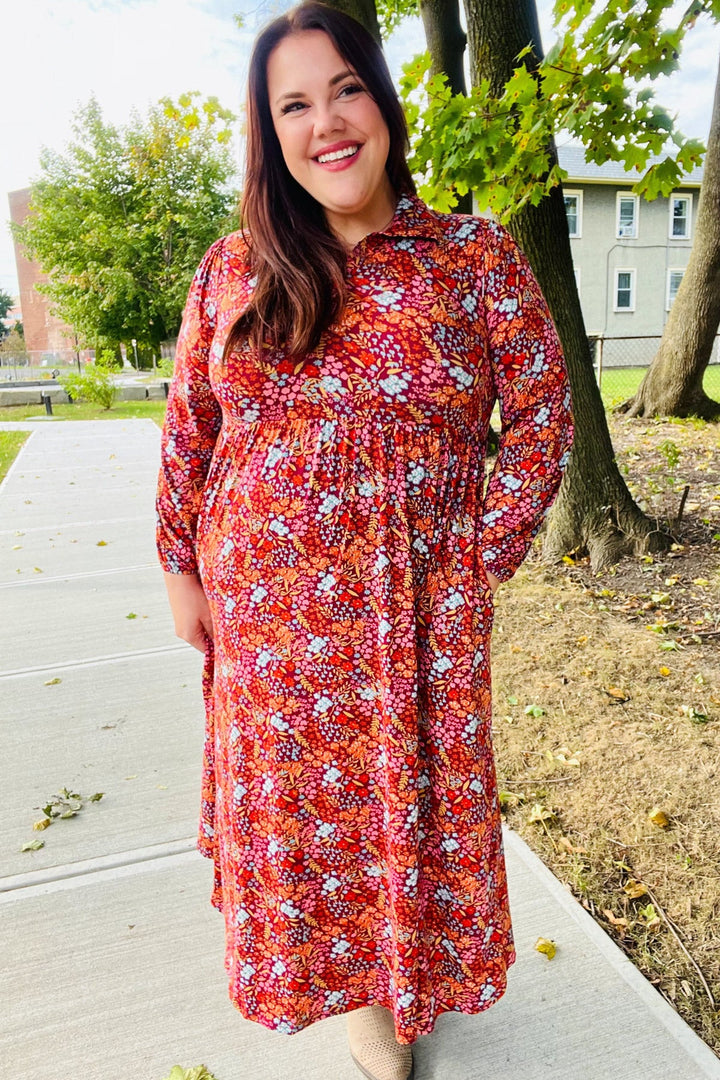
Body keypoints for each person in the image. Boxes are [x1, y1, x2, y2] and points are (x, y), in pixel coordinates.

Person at [156, 3, 574, 1078]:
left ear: (382, 102)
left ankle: (403, 981)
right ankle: (360, 1008)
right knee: (308, 825)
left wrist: (475, 559)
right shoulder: (234, 269)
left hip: (411, 621)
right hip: (272, 624)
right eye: (294, 103)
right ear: (270, 131)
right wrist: (177, 565)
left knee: (408, 812)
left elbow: (541, 414)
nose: (327, 122)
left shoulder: (471, 258)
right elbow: (189, 426)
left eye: (345, 88)